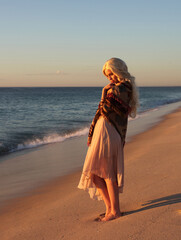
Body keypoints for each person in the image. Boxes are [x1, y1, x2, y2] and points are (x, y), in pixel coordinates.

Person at [78, 57, 139, 221]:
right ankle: (109, 208)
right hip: (103, 130)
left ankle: (115, 211)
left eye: (111, 74)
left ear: (119, 71)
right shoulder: (119, 88)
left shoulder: (123, 88)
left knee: (106, 172)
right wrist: (104, 94)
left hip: (108, 132)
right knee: (96, 174)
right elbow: (104, 109)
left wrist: (104, 93)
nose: (110, 78)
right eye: (107, 76)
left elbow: (106, 108)